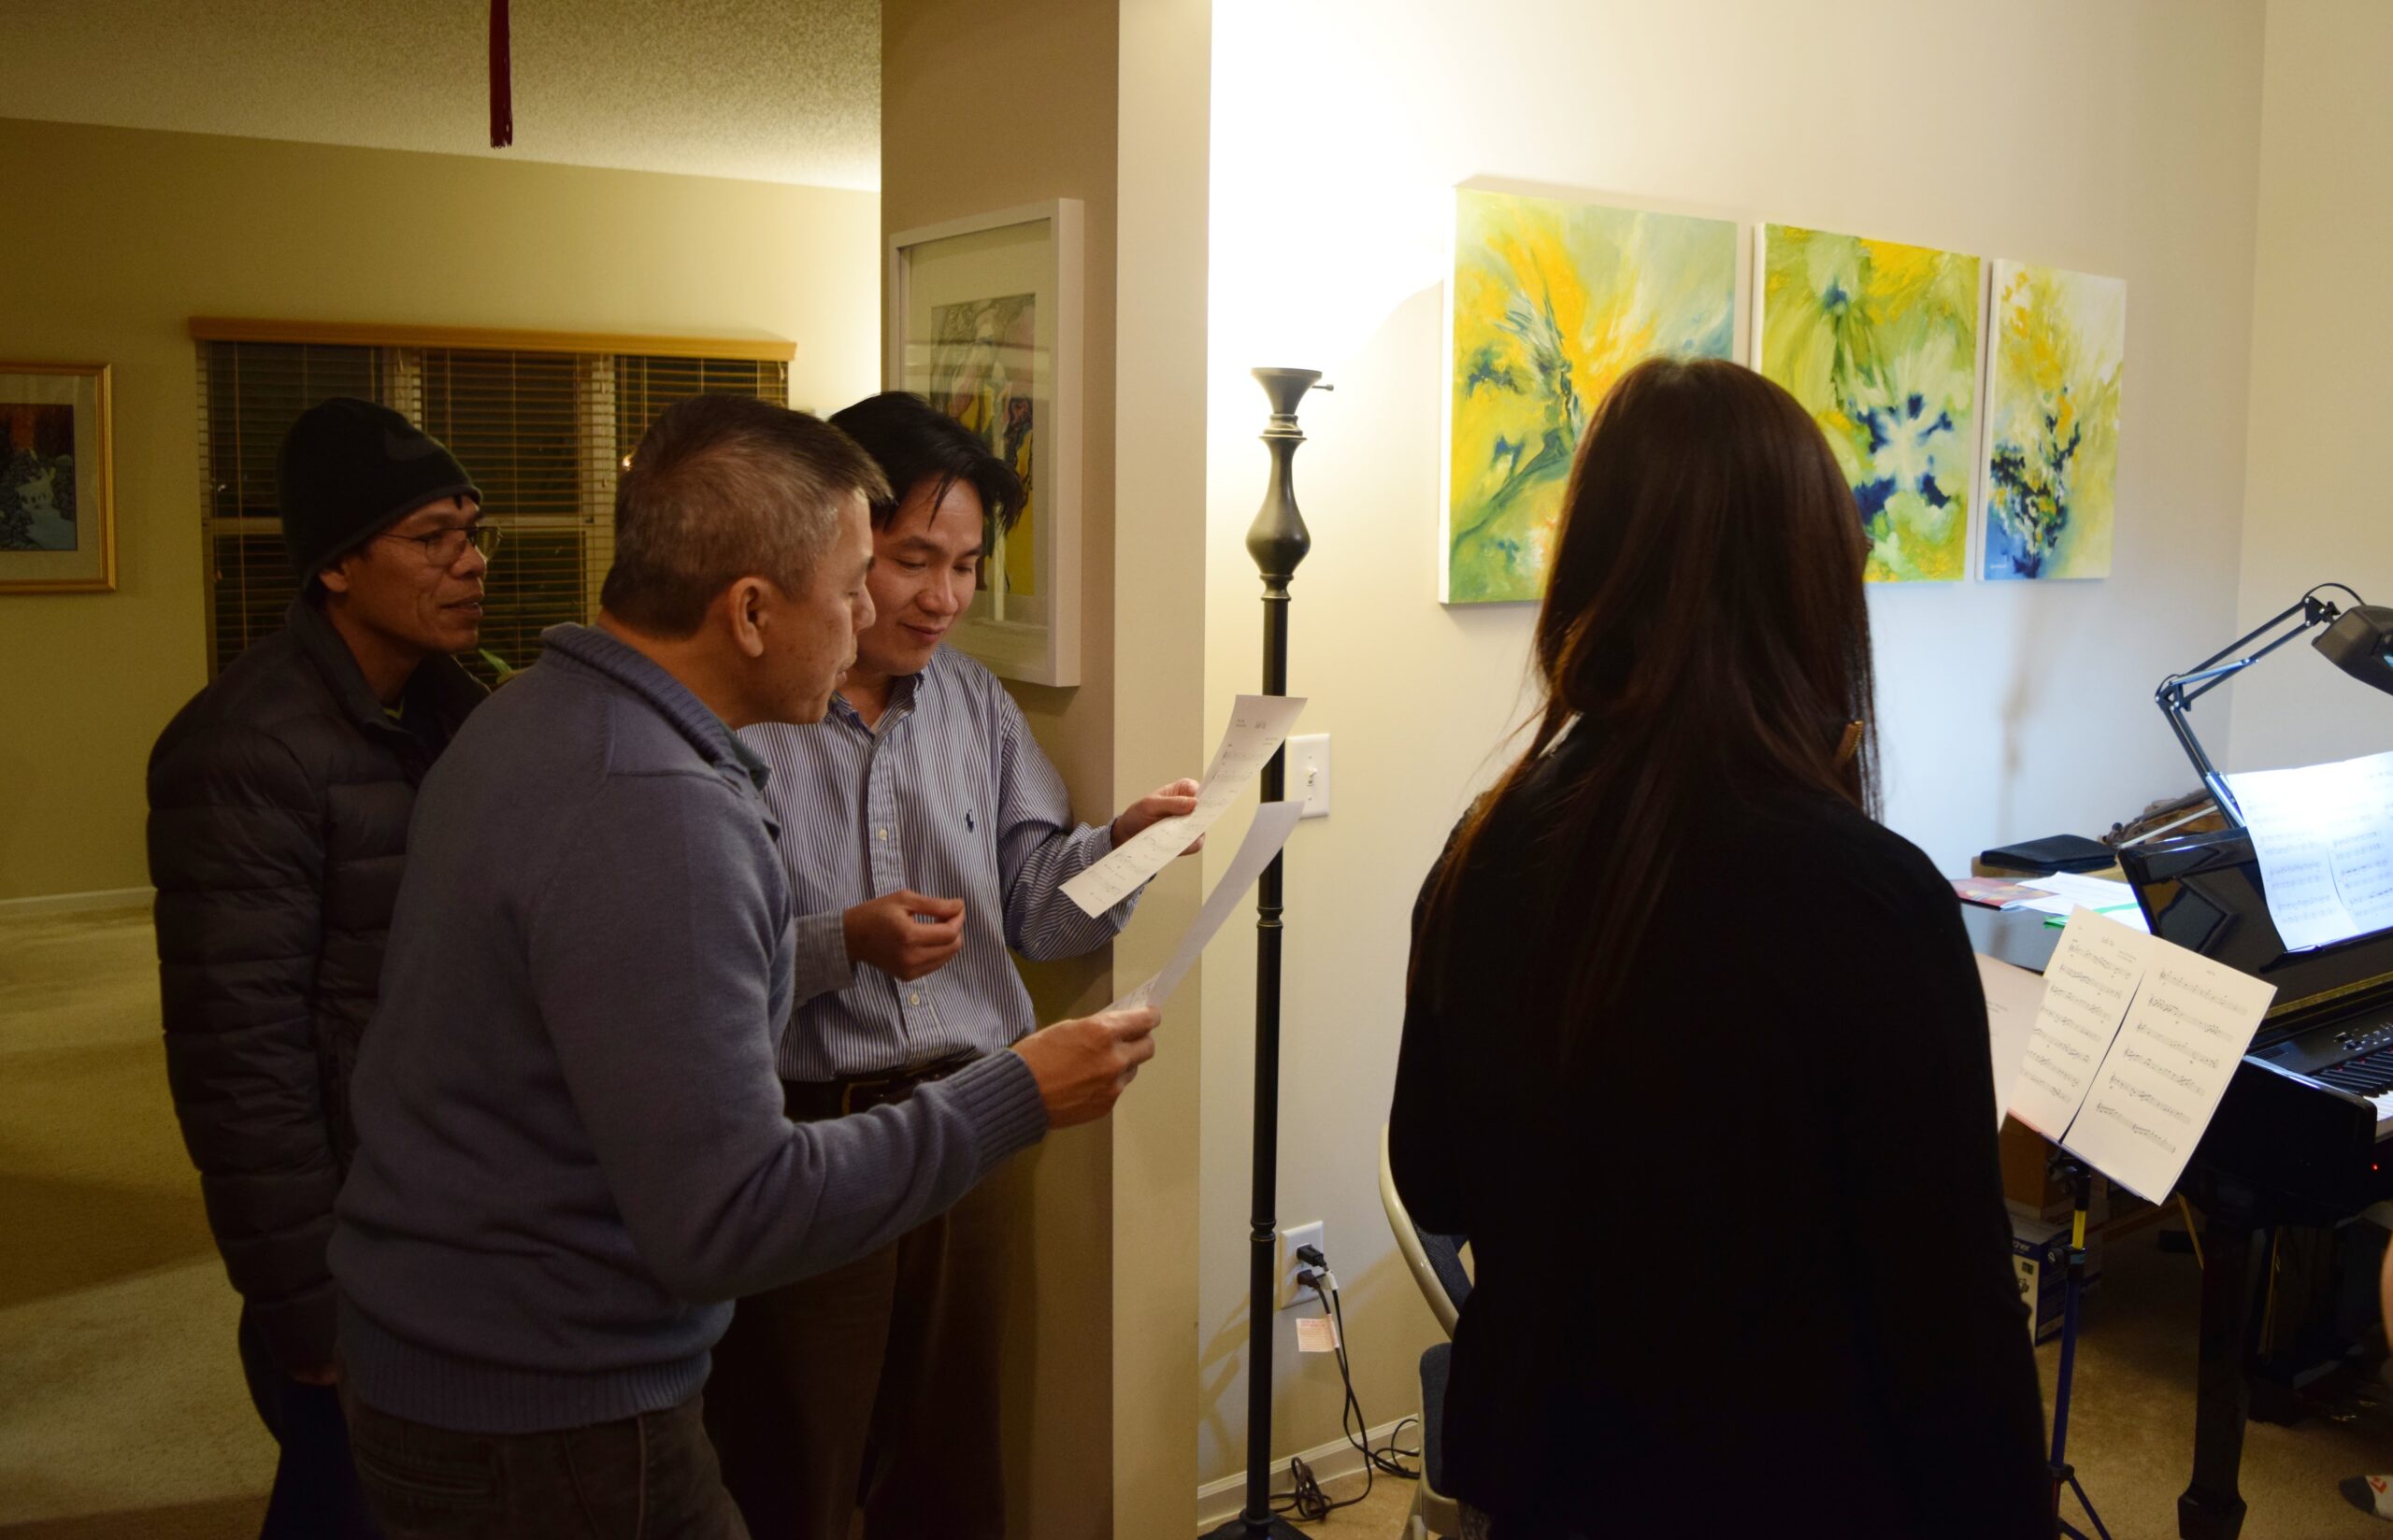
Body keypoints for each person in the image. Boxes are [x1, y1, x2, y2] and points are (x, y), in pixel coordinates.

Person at [327, 393, 1159, 1540]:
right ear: (754, 610)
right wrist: (1015, 1091)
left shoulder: (531, 716)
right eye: (862, 579)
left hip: (467, 1350)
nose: (883, 613)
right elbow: (732, 1214)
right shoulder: (660, 807)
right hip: (551, 1398)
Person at [1389, 358, 2046, 1539]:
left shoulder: (1481, 850)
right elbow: (1952, 1327)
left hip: (1541, 1480)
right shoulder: (1871, 900)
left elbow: (1432, 1177)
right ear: (1804, 589)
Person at [703, 390, 1198, 1539]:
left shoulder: (974, 703)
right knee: (794, 1460)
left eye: (968, 566)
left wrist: (1123, 847)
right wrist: (844, 941)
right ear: (836, 544)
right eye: (913, 560)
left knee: (954, 1457)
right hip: (808, 1133)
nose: (943, 597)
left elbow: (1039, 911)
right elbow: (698, 960)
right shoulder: (743, 715)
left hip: (979, 1126)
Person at [147, 397, 493, 1538]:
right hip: (351, 1230)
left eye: (472, 532)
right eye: (431, 538)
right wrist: (305, 1301)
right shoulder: (242, 749)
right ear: (338, 566)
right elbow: (236, 1059)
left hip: (448, 1197)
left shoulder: (458, 712)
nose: (470, 562)